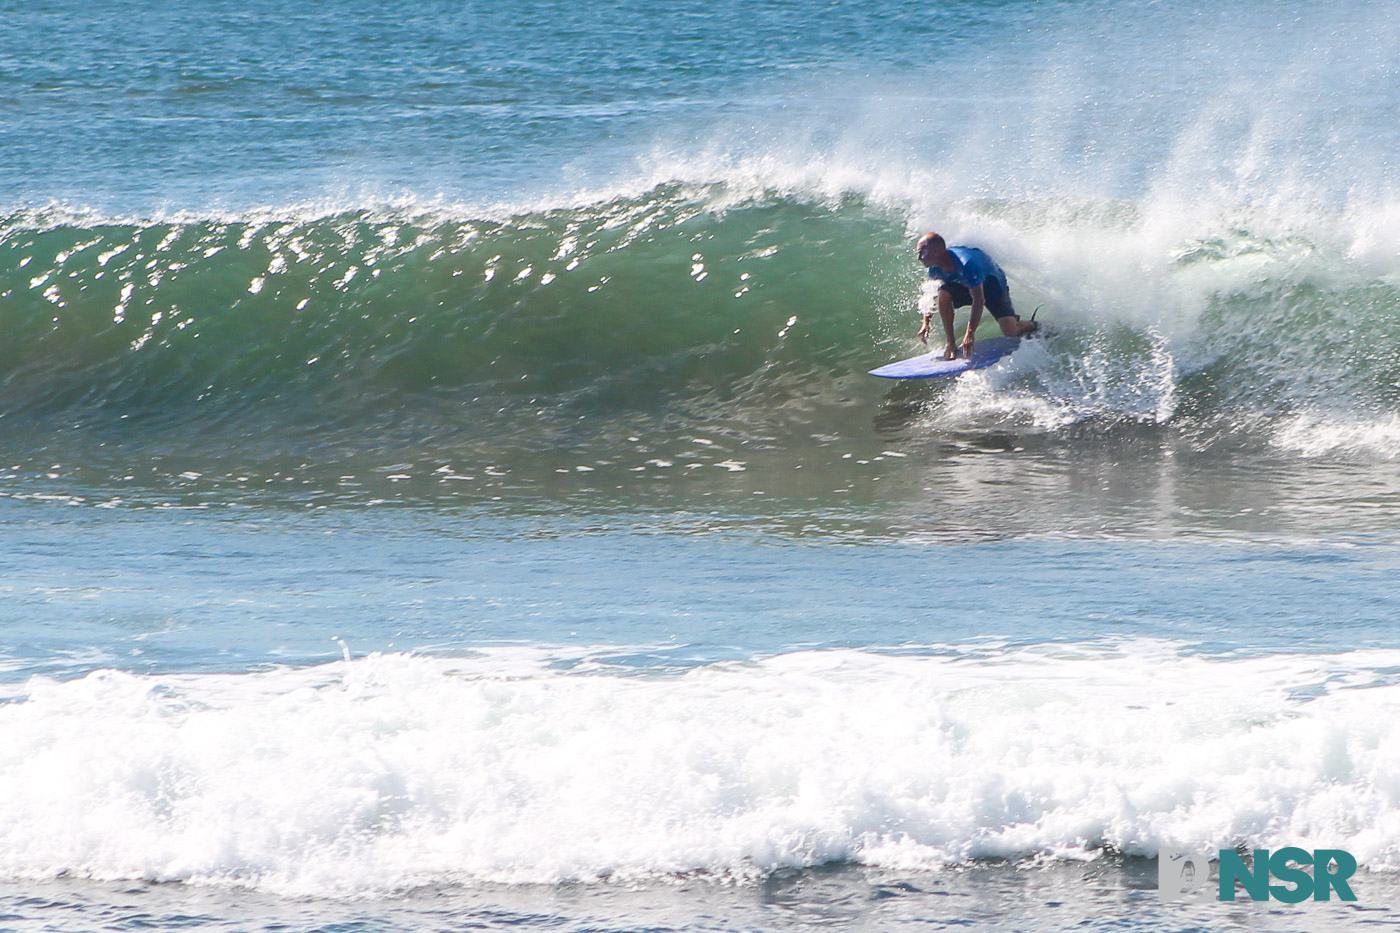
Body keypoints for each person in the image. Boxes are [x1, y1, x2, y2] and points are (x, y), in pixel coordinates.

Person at [915, 232, 1037, 361]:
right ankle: (950, 344)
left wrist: (970, 333)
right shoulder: (934, 269)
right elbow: (932, 294)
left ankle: (1036, 326)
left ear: (935, 252)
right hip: (965, 284)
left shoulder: (967, 264)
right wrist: (926, 322)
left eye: (921, 253)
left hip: (992, 285)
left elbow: (979, 299)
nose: (919, 258)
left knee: (1011, 331)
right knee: (943, 293)